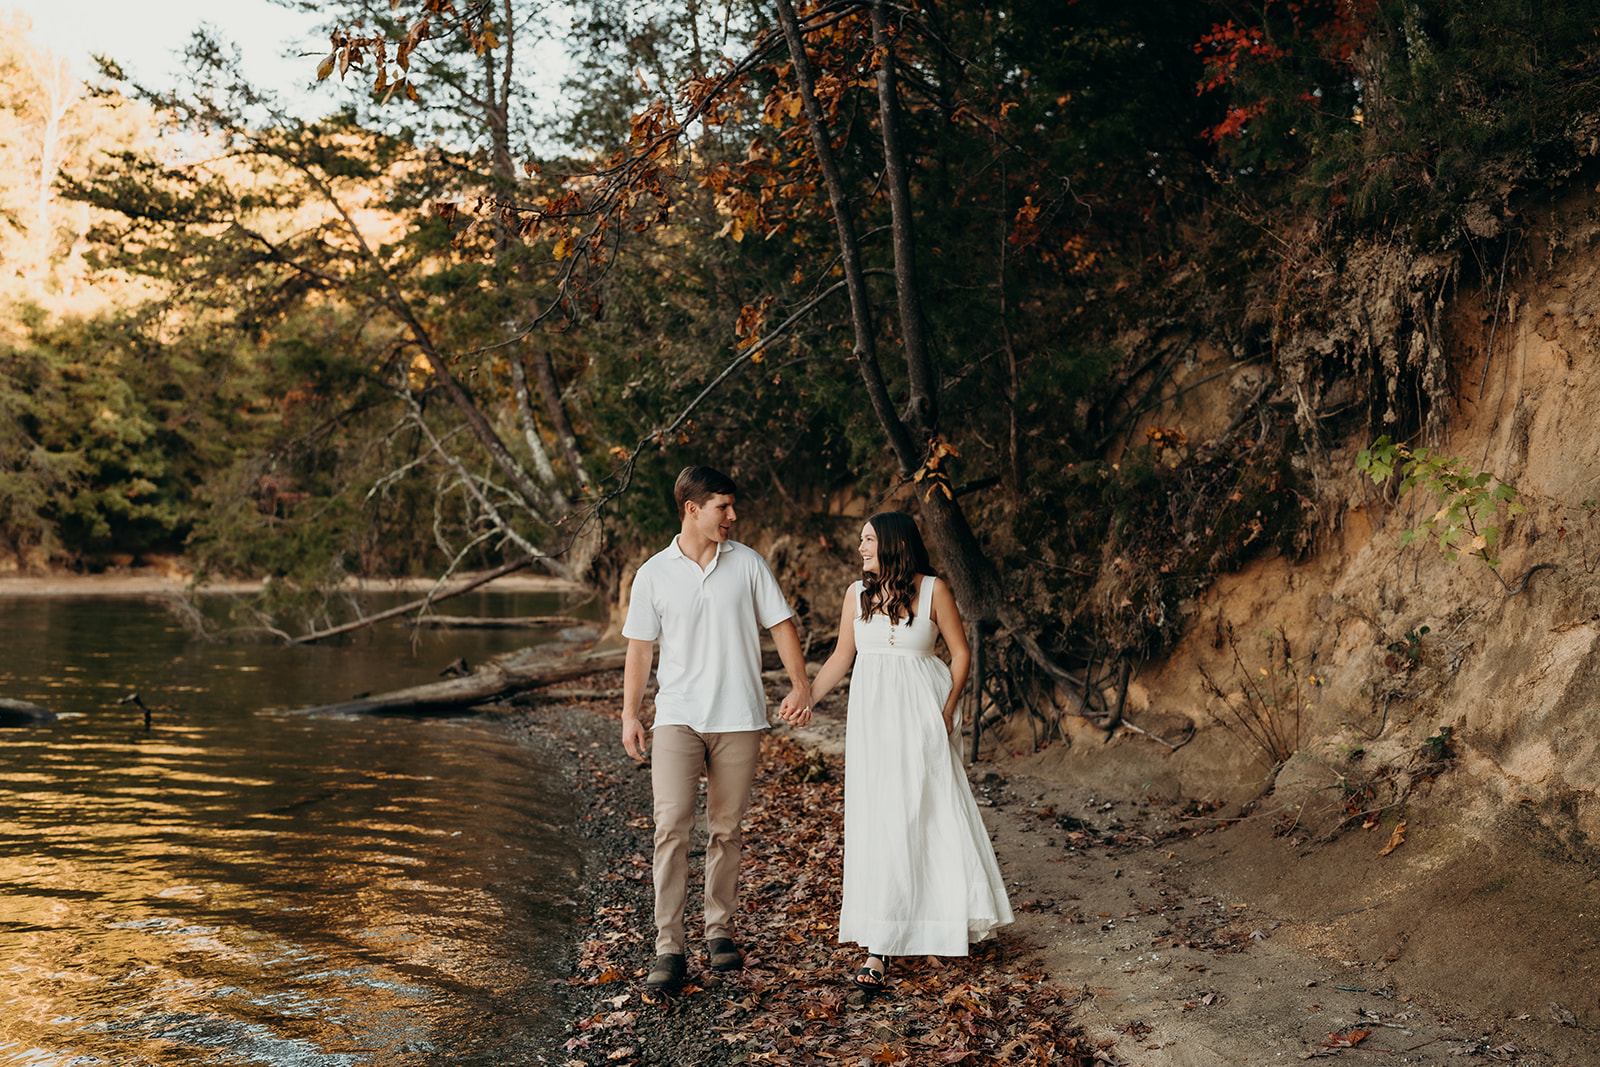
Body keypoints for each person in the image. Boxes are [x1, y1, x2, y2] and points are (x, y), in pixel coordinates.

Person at [620, 466, 813, 991]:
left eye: (732, 507)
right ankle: (668, 946)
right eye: (723, 507)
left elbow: (781, 625)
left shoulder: (748, 563)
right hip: (678, 717)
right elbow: (640, 648)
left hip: (739, 717)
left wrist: (801, 685)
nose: (733, 516)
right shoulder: (653, 574)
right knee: (671, 829)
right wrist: (630, 713)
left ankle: (719, 929)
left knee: (727, 830)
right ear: (692, 509)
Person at [807, 511, 1013, 990]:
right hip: (872, 720)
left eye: (869, 540)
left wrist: (949, 707)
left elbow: (960, 652)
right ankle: (881, 940)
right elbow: (842, 655)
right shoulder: (856, 595)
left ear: (894, 543)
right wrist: (807, 697)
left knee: (928, 812)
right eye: (861, 541)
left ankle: (934, 920)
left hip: (922, 713)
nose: (861, 549)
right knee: (880, 817)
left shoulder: (935, 589)